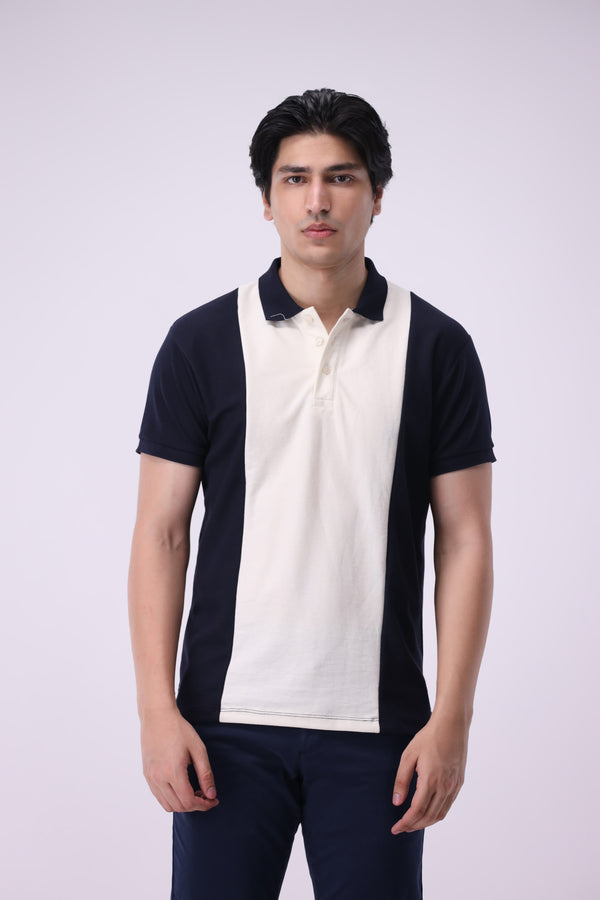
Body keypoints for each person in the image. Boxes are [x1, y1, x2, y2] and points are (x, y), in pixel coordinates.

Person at [128, 88, 495, 900]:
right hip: (222, 728)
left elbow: (466, 538)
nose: (317, 201)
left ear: (377, 195)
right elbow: (161, 533)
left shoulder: (437, 347)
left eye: (342, 177)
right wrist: (157, 710)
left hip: (382, 730)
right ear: (267, 199)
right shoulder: (201, 341)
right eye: (294, 179)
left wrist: (453, 719)